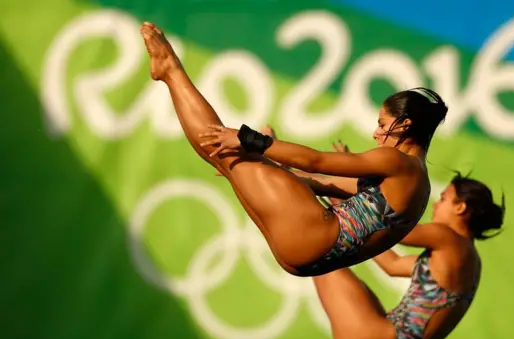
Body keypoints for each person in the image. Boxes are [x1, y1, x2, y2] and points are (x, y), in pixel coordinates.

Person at [139, 22, 448, 276]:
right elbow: (320, 183)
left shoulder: (396, 161)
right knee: (232, 163)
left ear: (404, 125)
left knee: (226, 149)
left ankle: (169, 68)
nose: (376, 133)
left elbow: (315, 162)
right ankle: (170, 72)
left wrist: (249, 140)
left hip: (313, 235)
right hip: (306, 259)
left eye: (383, 125)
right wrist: (269, 167)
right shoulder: (416, 182)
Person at [313, 170, 505, 339]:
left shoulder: (448, 237)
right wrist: (343, 206)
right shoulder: (467, 260)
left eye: (443, 199)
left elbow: (396, 227)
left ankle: (284, 173)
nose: (436, 205)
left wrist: (361, 189)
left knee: (316, 246)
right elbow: (393, 265)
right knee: (327, 244)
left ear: (460, 208)